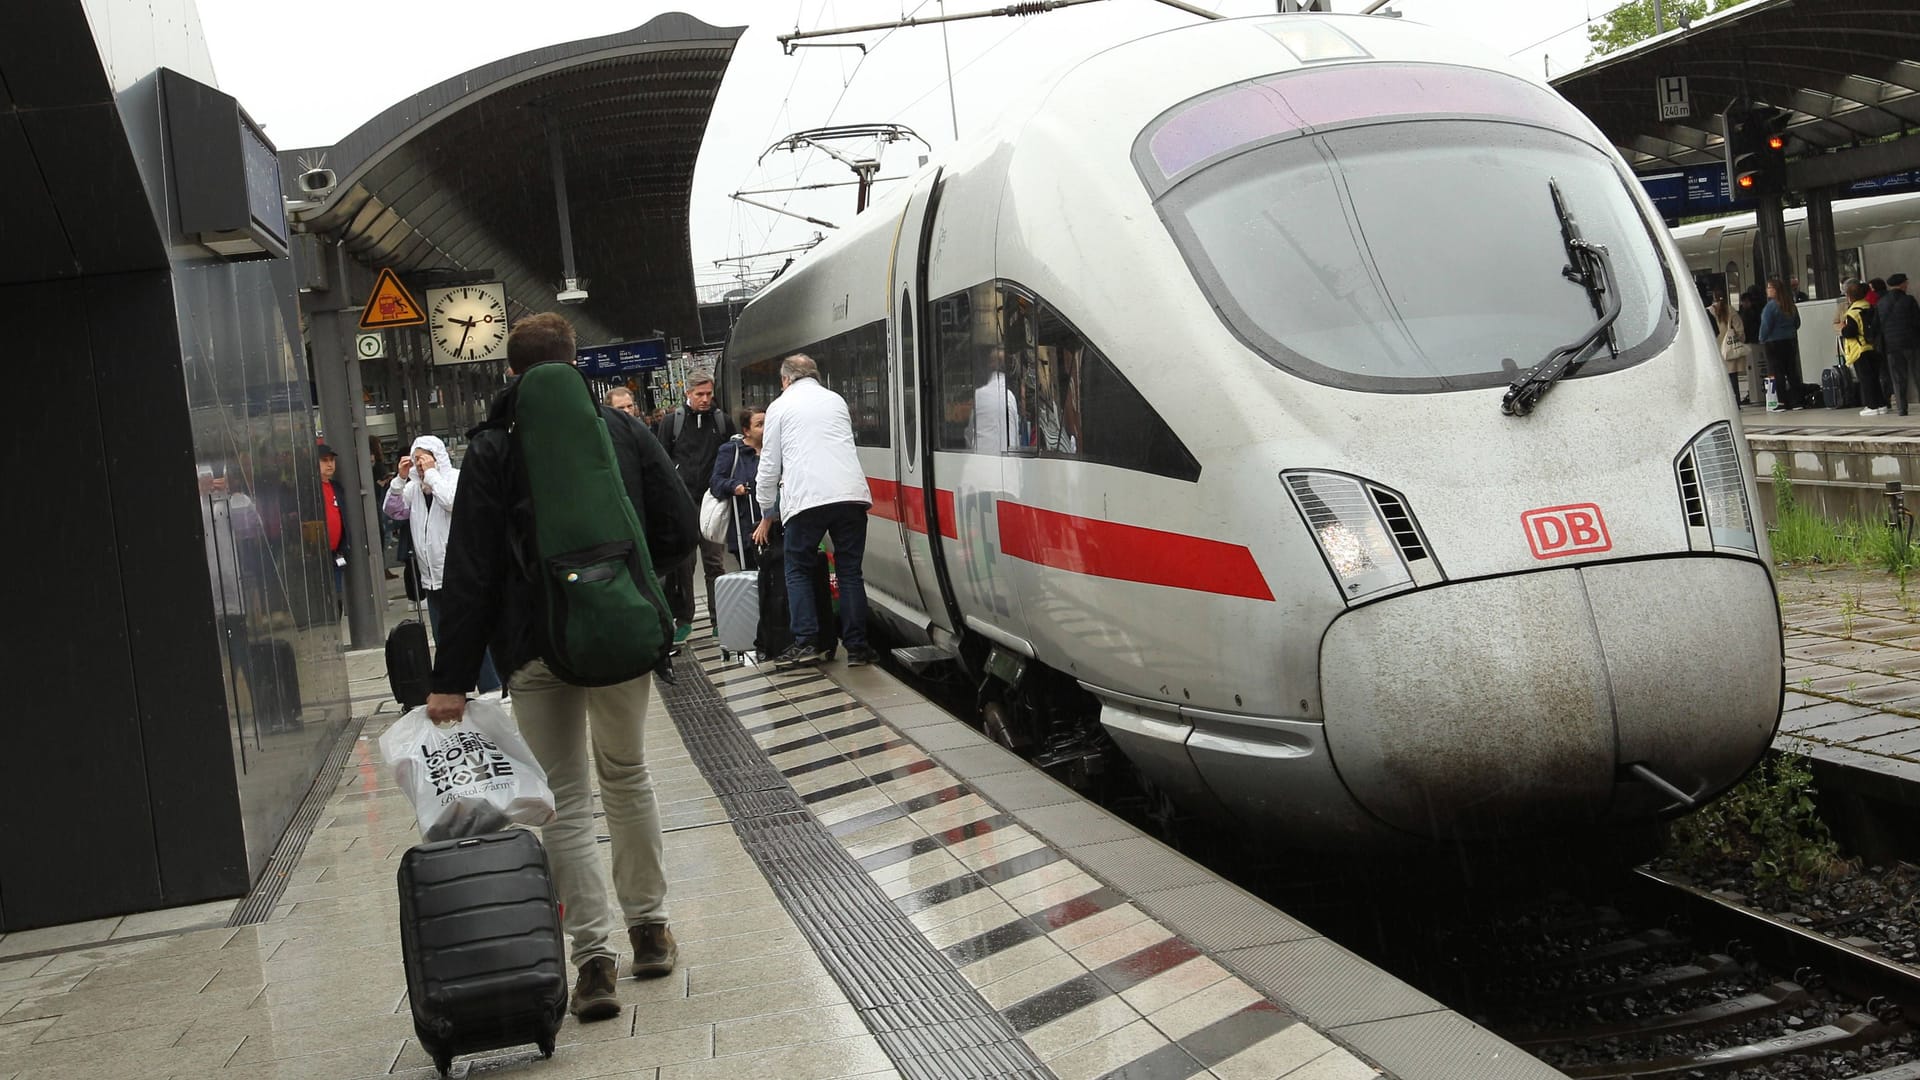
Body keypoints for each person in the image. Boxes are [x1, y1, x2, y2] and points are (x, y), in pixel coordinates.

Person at [424, 312, 698, 1023]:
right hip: (615, 642)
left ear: (510, 373)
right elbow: (677, 526)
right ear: (577, 364)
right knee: (627, 776)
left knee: (566, 800)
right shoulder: (622, 429)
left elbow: (472, 571)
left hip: (535, 648)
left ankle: (594, 964)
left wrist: (450, 677)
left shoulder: (490, 448)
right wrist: (629, 590)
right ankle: (651, 929)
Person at [751, 354, 877, 669]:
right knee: (850, 572)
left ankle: (807, 642)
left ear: (785, 380)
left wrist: (767, 508)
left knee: (798, 570)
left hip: (807, 499)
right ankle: (858, 648)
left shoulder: (780, 406)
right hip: (850, 496)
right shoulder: (836, 400)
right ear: (815, 375)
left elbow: (769, 465)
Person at [385, 435, 501, 694]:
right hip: (432, 577)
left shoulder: (455, 479)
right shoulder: (414, 489)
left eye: (424, 458)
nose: (420, 465)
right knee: (445, 636)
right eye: (417, 460)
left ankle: (492, 687)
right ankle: (457, 688)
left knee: (472, 632)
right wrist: (400, 479)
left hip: (460, 574)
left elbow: (452, 502)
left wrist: (434, 476)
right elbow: (393, 511)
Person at [654, 372, 734, 642]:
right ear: (687, 393)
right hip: (684, 503)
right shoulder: (671, 424)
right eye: (699, 394)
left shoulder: (722, 422)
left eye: (708, 394)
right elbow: (662, 458)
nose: (705, 399)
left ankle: (719, 618)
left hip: (713, 502)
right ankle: (684, 617)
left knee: (714, 562)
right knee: (684, 565)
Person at [709, 409, 765, 570]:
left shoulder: (775, 449)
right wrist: (734, 486)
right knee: (753, 574)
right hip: (746, 526)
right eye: (759, 425)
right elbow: (716, 482)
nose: (766, 429)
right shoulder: (732, 450)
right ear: (746, 430)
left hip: (775, 524)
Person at [1842, 280, 1890, 416]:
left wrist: (1843, 330)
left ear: (1849, 296)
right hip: (1872, 346)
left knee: (1865, 378)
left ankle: (1872, 405)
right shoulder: (1869, 306)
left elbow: (1851, 331)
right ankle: (1881, 403)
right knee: (1875, 377)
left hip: (1859, 348)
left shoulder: (1852, 312)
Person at [1879, 273, 1920, 416]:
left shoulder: (1882, 302)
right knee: (1917, 374)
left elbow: (1879, 324)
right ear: (1903, 284)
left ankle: (1902, 409)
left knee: (1898, 378)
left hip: (1892, 346)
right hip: (1911, 343)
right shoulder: (1909, 300)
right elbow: (1917, 321)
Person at [1759, 277, 1803, 410]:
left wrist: (1762, 338)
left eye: (1769, 287)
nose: (1767, 290)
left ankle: (1782, 402)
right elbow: (1797, 323)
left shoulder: (1770, 307)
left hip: (1773, 343)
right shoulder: (1789, 304)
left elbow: (1766, 326)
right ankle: (1797, 401)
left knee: (1777, 372)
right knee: (1791, 371)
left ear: (1775, 290)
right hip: (1790, 341)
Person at [966, 345, 1020, 450]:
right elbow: (1015, 440)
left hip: (981, 462)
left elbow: (969, 436)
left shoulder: (979, 395)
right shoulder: (1010, 397)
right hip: (1008, 463)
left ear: (988, 367)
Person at [318, 443, 349, 610]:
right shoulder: (311, 488)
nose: (330, 464)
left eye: (331, 460)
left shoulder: (336, 487)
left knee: (336, 598)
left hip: (335, 553)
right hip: (317, 555)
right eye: (324, 460)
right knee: (323, 599)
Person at [1712, 295, 1744, 401]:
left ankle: (1723, 401)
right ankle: (1736, 402)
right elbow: (1739, 329)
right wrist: (1740, 339)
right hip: (1729, 348)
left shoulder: (1708, 312)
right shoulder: (1731, 310)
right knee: (1732, 376)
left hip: (1715, 349)